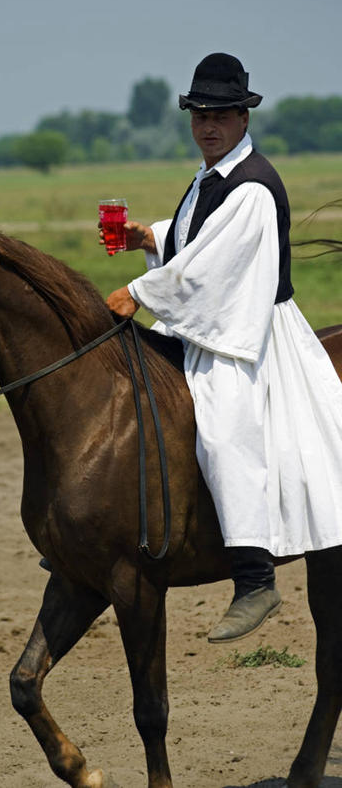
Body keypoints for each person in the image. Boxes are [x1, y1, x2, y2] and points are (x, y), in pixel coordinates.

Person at [102, 53, 342, 643]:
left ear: (243, 117)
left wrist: (138, 290)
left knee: (225, 425)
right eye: (199, 115)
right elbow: (199, 233)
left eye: (222, 115)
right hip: (215, 320)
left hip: (251, 333)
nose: (208, 125)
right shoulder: (213, 176)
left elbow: (214, 268)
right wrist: (151, 236)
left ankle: (255, 577)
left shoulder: (254, 187)